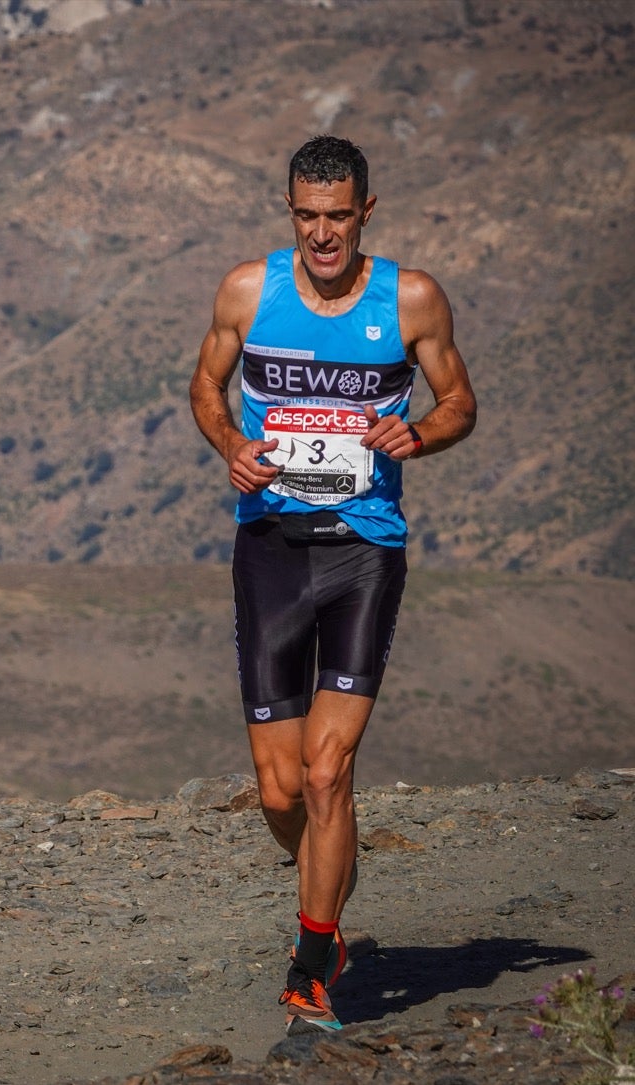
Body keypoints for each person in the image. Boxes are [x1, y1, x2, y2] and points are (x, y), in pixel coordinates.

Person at [189, 135, 476, 1037]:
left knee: (326, 770)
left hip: (364, 549)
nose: (323, 235)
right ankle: (327, 879)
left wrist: (421, 435)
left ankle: (312, 958)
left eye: (338, 217)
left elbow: (459, 399)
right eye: (307, 216)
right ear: (291, 213)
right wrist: (232, 445)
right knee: (281, 793)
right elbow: (205, 384)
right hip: (270, 547)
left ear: (366, 212)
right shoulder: (248, 289)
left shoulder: (411, 298)